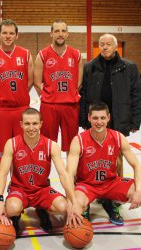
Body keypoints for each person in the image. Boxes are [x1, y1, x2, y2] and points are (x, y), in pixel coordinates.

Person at [79, 33, 141, 225]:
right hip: (96, 119)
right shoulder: (90, 66)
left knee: (116, 161)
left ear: (116, 47)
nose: (105, 47)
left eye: (108, 44)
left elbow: (136, 95)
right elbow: (82, 94)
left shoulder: (129, 67)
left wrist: (134, 121)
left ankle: (112, 199)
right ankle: (89, 193)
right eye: (102, 44)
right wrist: (84, 119)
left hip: (118, 119)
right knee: (90, 158)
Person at [66, 102, 141, 228]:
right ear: (89, 118)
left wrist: (139, 191)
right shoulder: (78, 140)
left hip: (111, 183)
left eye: (102, 118)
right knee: (74, 207)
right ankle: (85, 206)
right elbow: (69, 173)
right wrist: (71, 201)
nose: (99, 122)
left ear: (108, 118)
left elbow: (137, 165)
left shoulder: (118, 137)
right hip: (87, 185)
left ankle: (110, 202)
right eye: (95, 118)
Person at [0, 108, 82, 235]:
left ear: (41, 124)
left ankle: (42, 210)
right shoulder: (12, 143)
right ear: (21, 124)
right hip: (19, 189)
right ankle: (15, 216)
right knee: (12, 208)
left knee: (63, 207)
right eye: (27, 123)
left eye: (35, 123)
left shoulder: (51, 145)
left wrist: (73, 202)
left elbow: (63, 175)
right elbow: (2, 174)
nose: (31, 127)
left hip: (42, 190)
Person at [0, 19, 33, 174]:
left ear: (16, 36)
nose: (8, 36)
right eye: (4, 33)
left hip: (22, 111)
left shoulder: (25, 54)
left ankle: (18, 189)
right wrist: (0, 96)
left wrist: (19, 95)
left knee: (21, 154)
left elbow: (30, 81)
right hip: (1, 112)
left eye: (11, 33)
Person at [34, 19, 83, 154]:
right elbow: (37, 82)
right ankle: (45, 175)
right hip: (49, 106)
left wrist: (69, 94)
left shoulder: (76, 54)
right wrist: (48, 96)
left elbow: (79, 82)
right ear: (51, 34)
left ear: (67, 34)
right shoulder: (42, 55)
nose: (60, 34)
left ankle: (70, 175)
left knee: (72, 146)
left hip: (70, 105)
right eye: (57, 31)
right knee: (48, 144)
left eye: (63, 31)